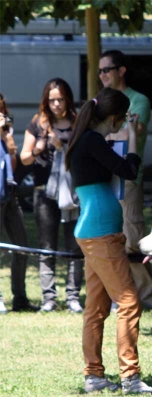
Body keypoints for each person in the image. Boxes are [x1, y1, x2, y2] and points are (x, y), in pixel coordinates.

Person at [65, 87, 152, 394]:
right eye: (123, 119)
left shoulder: (87, 139)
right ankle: (130, 378)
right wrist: (133, 134)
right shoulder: (92, 139)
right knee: (130, 302)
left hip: (95, 231)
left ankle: (94, 376)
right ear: (116, 117)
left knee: (96, 306)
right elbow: (130, 169)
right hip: (101, 233)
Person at [98, 50, 152, 314]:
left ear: (121, 70)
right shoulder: (99, 101)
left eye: (107, 69)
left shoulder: (139, 100)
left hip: (128, 178)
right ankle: (122, 293)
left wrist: (109, 132)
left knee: (133, 238)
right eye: (100, 71)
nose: (102, 75)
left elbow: (133, 133)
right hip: (103, 178)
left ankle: (150, 295)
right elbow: (105, 132)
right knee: (111, 238)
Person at [20, 78, 83, 313]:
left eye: (60, 99)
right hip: (44, 192)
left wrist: (63, 147)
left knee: (74, 245)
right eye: (52, 100)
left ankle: (73, 298)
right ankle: (49, 299)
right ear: (46, 101)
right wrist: (39, 147)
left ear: (68, 99)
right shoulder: (38, 122)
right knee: (47, 246)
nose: (56, 104)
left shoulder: (78, 122)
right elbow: (25, 158)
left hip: (73, 193)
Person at [0, 94, 38, 313]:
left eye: (2, 110)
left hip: (10, 195)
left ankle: (20, 297)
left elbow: (13, 165)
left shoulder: (7, 133)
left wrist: (7, 139)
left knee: (21, 246)